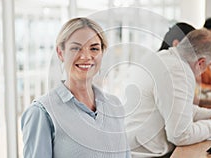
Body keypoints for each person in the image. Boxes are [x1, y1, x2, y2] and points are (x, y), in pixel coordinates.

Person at [125, 28, 211, 157]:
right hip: (146, 154)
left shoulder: (166, 58)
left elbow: (181, 109)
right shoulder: (178, 72)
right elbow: (181, 136)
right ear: (201, 63)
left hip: (132, 147)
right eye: (209, 66)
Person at [21, 17, 130, 158]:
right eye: (76, 48)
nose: (86, 56)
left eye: (94, 48)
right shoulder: (42, 113)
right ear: (61, 53)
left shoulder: (114, 105)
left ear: (102, 53)